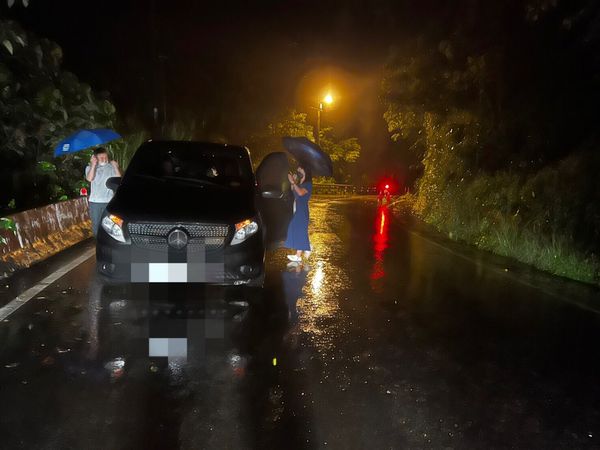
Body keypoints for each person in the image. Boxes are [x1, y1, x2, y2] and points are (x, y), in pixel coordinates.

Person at [85, 147, 121, 237]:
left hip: (109, 201)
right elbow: (89, 178)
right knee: (96, 225)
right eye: (101, 158)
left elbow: (118, 179)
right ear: (95, 158)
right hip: (95, 202)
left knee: (112, 225)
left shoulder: (110, 167)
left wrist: (116, 167)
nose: (104, 159)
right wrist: (93, 165)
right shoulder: (89, 167)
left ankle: (111, 243)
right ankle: (98, 244)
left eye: (106, 157)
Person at [284, 165, 312, 262]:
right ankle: (307, 247)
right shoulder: (300, 183)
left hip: (302, 210)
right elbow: (293, 190)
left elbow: (300, 193)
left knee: (299, 229)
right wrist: (293, 181)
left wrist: (292, 182)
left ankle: (298, 255)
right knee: (294, 228)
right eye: (298, 169)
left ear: (306, 171)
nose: (298, 171)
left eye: (300, 169)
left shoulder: (308, 184)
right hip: (297, 209)